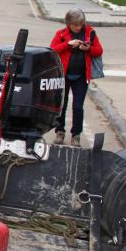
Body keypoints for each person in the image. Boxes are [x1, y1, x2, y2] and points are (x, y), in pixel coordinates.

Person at [50, 8, 104, 147]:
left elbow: (99, 50)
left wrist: (88, 49)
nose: (77, 27)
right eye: (74, 25)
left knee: (78, 106)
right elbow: (53, 50)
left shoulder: (90, 32)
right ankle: (60, 131)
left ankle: (76, 135)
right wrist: (68, 44)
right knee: (62, 105)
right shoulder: (61, 34)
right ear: (69, 24)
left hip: (81, 75)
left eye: (80, 24)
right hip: (64, 75)